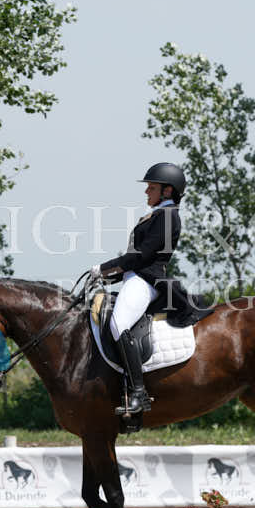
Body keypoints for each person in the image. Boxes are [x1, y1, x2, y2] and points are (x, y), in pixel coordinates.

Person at [91, 162, 186, 414]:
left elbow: (141, 256)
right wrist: (107, 278)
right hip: (135, 278)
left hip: (146, 281)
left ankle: (138, 393)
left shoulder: (168, 216)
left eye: (151, 188)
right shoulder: (158, 215)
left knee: (118, 324)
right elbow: (135, 261)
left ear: (167, 191)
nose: (146, 192)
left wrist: (103, 268)